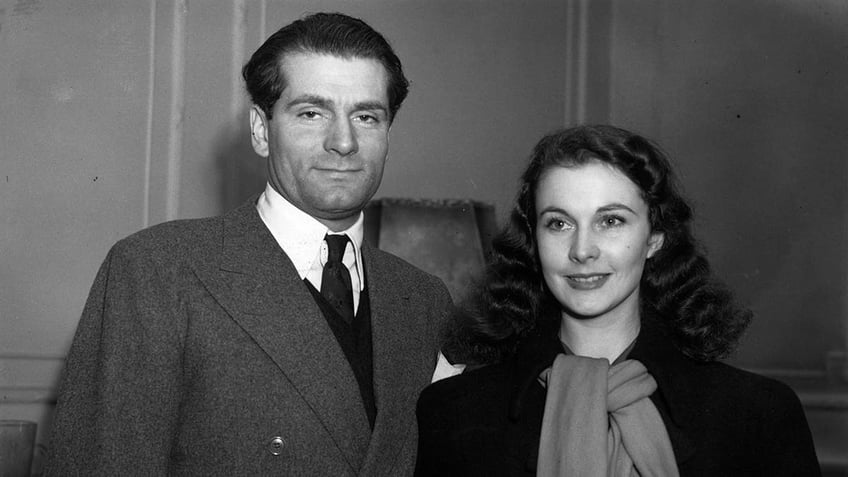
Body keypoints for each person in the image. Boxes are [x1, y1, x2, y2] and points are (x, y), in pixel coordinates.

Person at [44, 12, 453, 476]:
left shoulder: (422, 299)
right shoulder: (157, 271)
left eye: (366, 116)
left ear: (387, 134)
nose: (344, 141)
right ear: (261, 130)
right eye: (312, 113)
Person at [415, 125, 820, 476]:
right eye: (558, 223)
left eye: (611, 221)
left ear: (654, 238)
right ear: (534, 242)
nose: (582, 249)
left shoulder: (758, 415)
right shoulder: (452, 412)